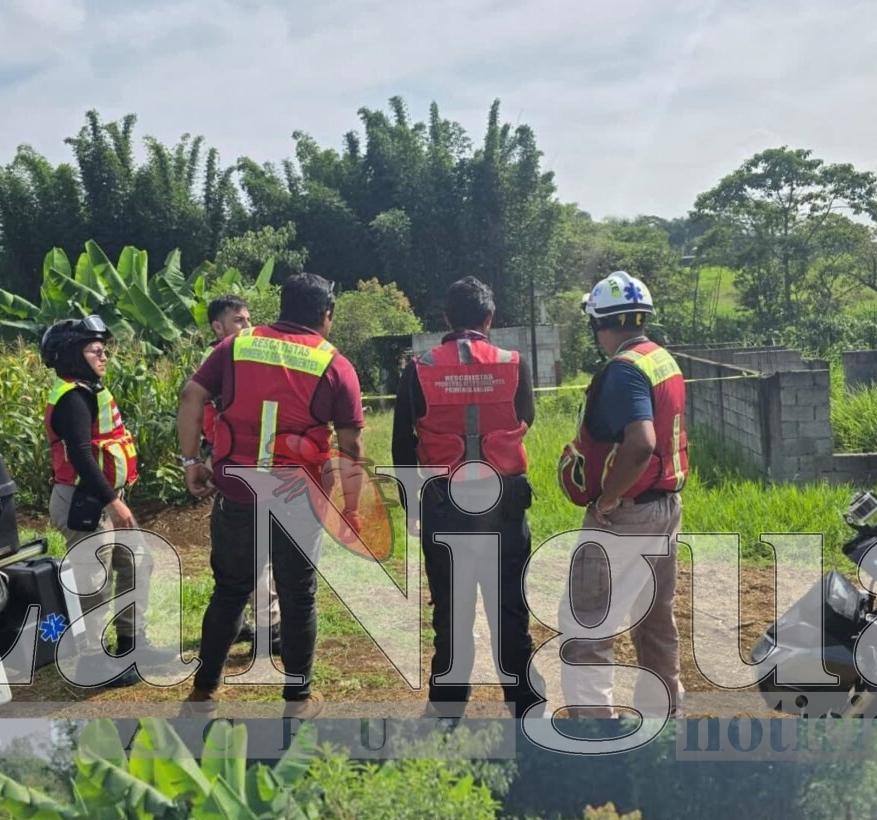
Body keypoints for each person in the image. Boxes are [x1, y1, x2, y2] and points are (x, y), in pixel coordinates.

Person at [176, 272, 366, 717]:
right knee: (298, 595)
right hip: (297, 498)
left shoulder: (235, 348)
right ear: (326, 315)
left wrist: (191, 462)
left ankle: (205, 688)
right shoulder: (335, 364)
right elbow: (353, 446)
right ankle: (297, 698)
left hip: (238, 491)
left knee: (230, 590)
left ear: (281, 309)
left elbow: (191, 395)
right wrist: (352, 508)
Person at [392, 275, 544, 718]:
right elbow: (526, 417)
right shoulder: (514, 362)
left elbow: (403, 446)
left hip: (445, 507)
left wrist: (413, 508)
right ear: (490, 318)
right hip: (504, 507)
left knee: (452, 617)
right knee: (510, 611)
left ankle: (445, 716)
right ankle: (527, 711)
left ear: (445, 318)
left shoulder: (419, 367)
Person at [555, 270, 688, 718]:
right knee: (654, 619)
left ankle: (594, 735)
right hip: (665, 508)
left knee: (586, 624)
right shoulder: (661, 359)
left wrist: (608, 497)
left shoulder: (623, 371)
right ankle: (663, 717)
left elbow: (641, 443)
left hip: (627, 514)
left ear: (598, 323)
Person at [41, 314, 170, 688]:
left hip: (100, 498)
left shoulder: (89, 390)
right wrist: (113, 500)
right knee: (94, 582)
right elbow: (80, 454)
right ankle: (94, 664)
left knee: (136, 563)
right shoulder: (72, 398)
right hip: (84, 501)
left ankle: (133, 644)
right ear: (72, 355)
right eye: (95, 350)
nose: (104, 356)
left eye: (103, 350)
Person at [191, 293, 282, 658]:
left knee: (238, 549)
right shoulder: (226, 360)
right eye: (239, 320)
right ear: (218, 326)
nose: (248, 325)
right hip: (240, 460)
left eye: (248, 319)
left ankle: (244, 619)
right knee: (257, 547)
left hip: (231, 459)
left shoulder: (228, 358)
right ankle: (270, 627)